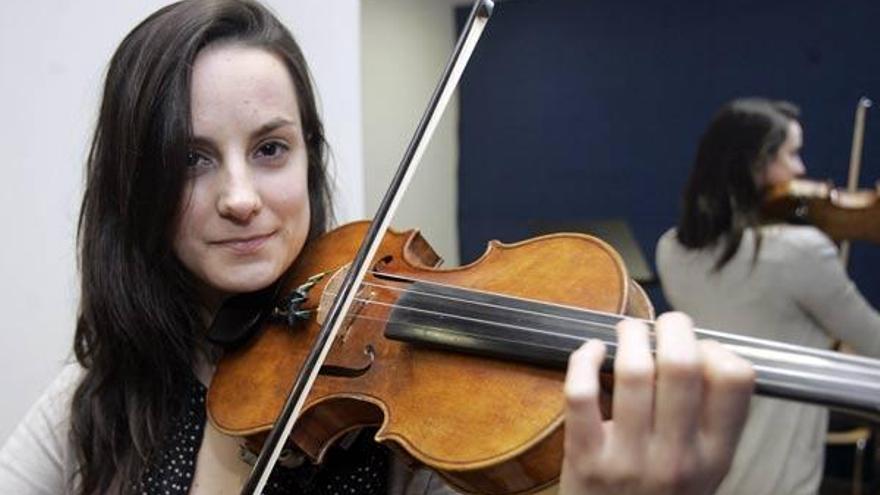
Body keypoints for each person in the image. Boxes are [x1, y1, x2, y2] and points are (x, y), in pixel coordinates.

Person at [0, 1, 755, 494]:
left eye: (270, 148)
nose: (240, 196)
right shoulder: (97, 398)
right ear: (137, 184)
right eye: (192, 159)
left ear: (307, 156)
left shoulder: (391, 423)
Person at [656, 97, 880, 495]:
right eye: (792, 154)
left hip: (704, 466)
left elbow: (763, 320)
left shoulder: (671, 250)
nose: (802, 170)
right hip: (778, 474)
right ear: (756, 164)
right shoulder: (801, 251)